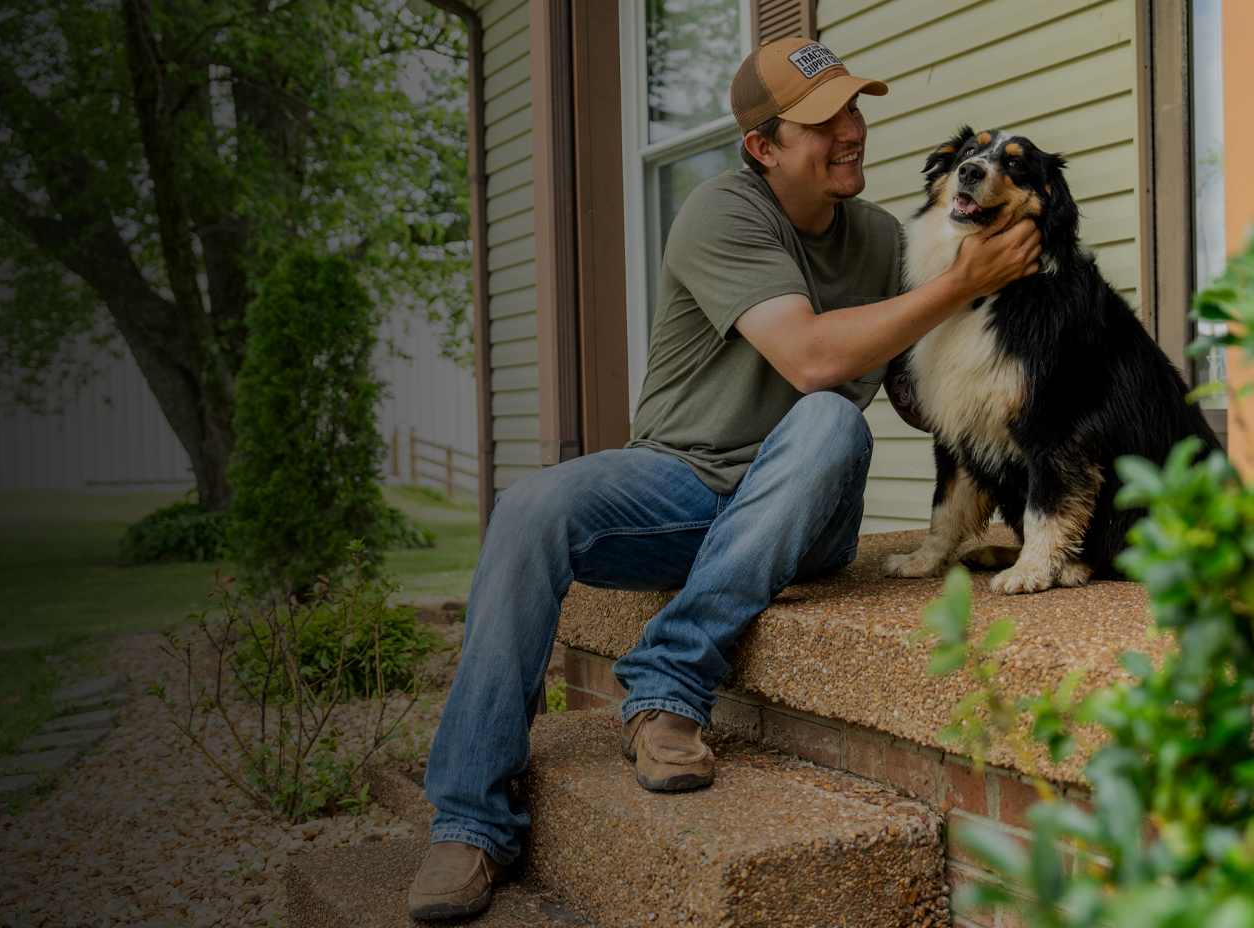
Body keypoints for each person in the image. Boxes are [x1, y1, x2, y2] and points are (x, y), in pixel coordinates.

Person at [407, 37, 1042, 921]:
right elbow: (816, 355)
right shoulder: (721, 211)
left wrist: (1042, 402)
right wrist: (956, 284)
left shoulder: (885, 241)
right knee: (527, 507)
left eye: (855, 110)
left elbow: (921, 388)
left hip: (801, 509)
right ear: (763, 148)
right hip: (679, 487)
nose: (852, 132)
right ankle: (470, 821)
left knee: (825, 428)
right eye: (825, 122)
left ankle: (667, 684)